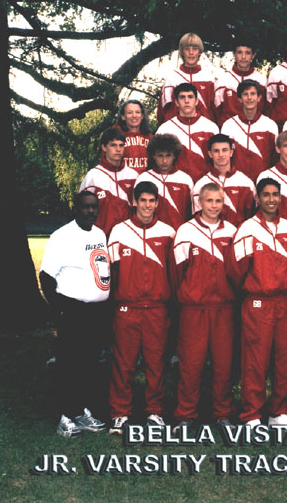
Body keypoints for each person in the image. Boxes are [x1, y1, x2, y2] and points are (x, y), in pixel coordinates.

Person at [228, 178, 287, 428]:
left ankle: (279, 411)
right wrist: (255, 288)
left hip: (285, 303)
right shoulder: (247, 229)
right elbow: (236, 270)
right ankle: (252, 414)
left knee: (285, 359)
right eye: (266, 195)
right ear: (257, 199)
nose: (271, 199)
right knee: (255, 360)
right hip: (258, 302)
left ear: (280, 198)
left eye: (275, 194)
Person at [40, 190, 111, 437]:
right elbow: (46, 276)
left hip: (96, 311)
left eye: (94, 207)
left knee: (89, 364)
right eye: (85, 207)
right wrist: (58, 308)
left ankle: (81, 411)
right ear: (76, 208)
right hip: (73, 309)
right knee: (69, 363)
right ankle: (65, 417)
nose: (90, 211)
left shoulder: (100, 234)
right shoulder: (62, 236)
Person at [107, 181, 176, 434]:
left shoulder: (168, 232)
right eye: (142, 200)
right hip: (128, 308)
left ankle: (155, 412)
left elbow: (173, 273)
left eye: (151, 201)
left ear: (157, 203)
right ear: (134, 201)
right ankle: (119, 413)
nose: (147, 205)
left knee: (156, 363)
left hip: (157, 308)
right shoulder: (118, 232)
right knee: (123, 363)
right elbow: (112, 273)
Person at [173, 183, 238, 430]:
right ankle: (185, 415)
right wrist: (189, 295)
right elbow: (176, 272)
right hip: (194, 309)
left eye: (218, 201)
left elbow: (237, 271)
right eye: (209, 201)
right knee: (191, 364)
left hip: (223, 309)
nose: (213, 206)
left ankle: (222, 414)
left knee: (223, 364)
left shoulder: (232, 231)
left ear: (224, 203)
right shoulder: (185, 231)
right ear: (199, 202)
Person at [155, 82, 220, 183]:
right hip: (176, 183)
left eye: (190, 97)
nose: (186, 101)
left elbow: (217, 159)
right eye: (182, 97)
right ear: (176, 102)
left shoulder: (211, 127)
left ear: (196, 101)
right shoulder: (165, 129)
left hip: (205, 184)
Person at [80, 127, 138, 237]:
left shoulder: (134, 176)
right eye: (113, 145)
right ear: (104, 147)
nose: (118, 149)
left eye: (121, 145)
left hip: (128, 240)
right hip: (100, 240)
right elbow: (82, 211)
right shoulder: (93, 176)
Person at [192, 133, 256, 227]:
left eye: (224, 150)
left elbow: (251, 218)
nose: (221, 155)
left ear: (231, 152)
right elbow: (199, 220)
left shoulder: (246, 183)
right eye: (216, 151)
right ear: (210, 154)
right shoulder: (201, 185)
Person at [221, 79, 279, 182]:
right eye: (245, 94)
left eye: (253, 94)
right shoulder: (228, 126)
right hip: (237, 183)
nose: (249, 98)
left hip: (263, 183)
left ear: (259, 98)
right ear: (239, 99)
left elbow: (275, 159)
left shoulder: (270, 125)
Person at [134, 134, 193, 230]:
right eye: (160, 156)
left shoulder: (186, 180)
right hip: (151, 234)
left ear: (174, 156)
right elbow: (136, 211)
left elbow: (190, 213)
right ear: (153, 156)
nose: (164, 160)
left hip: (180, 234)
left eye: (168, 155)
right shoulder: (143, 178)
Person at [157, 33, 216, 125]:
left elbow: (214, 110)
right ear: (181, 52)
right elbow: (162, 111)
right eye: (187, 49)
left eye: (195, 49)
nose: (191, 52)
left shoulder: (208, 77)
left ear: (200, 52)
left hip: (204, 130)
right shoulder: (172, 78)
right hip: (176, 130)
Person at [215, 40, 267, 125]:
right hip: (229, 131)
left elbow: (265, 110)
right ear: (234, 54)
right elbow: (217, 112)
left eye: (247, 53)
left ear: (253, 55)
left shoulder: (262, 81)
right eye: (239, 52)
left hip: (256, 130)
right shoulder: (223, 80)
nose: (243, 57)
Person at [115, 99, 153, 174]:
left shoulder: (150, 137)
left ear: (142, 116)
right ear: (123, 116)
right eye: (130, 113)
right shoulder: (115, 136)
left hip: (146, 181)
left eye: (137, 112)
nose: (134, 116)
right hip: (123, 180)